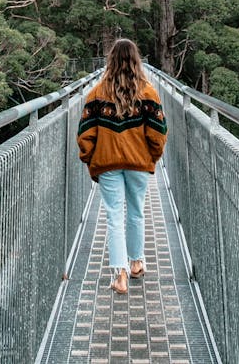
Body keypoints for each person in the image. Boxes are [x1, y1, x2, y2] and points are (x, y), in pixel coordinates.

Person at [76, 39, 168, 295]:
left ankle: (120, 275)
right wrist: (152, 155)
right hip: (139, 162)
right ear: (136, 60)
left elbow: (85, 133)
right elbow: (158, 132)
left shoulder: (96, 93)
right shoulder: (148, 92)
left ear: (111, 60)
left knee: (114, 216)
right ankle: (137, 262)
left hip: (107, 163)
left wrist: (90, 158)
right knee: (136, 212)